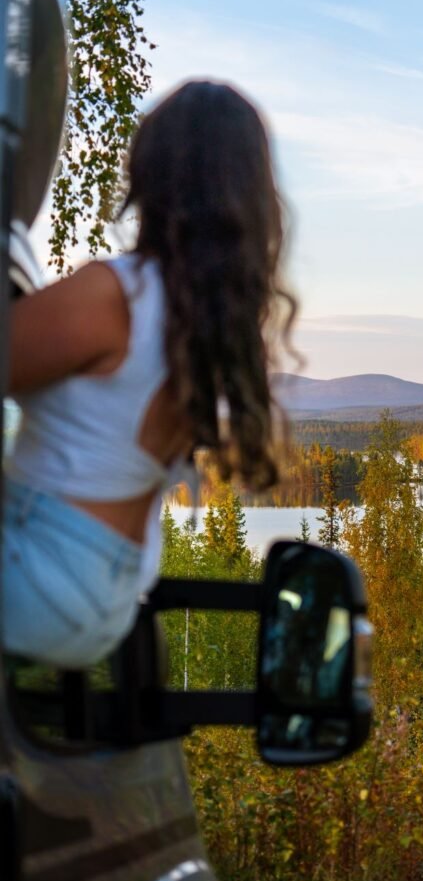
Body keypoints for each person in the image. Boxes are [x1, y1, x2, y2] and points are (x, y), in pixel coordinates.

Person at [3, 80, 296, 668]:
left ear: (152, 172)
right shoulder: (209, 323)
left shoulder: (117, 295)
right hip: (105, 598)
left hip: (38, 577)